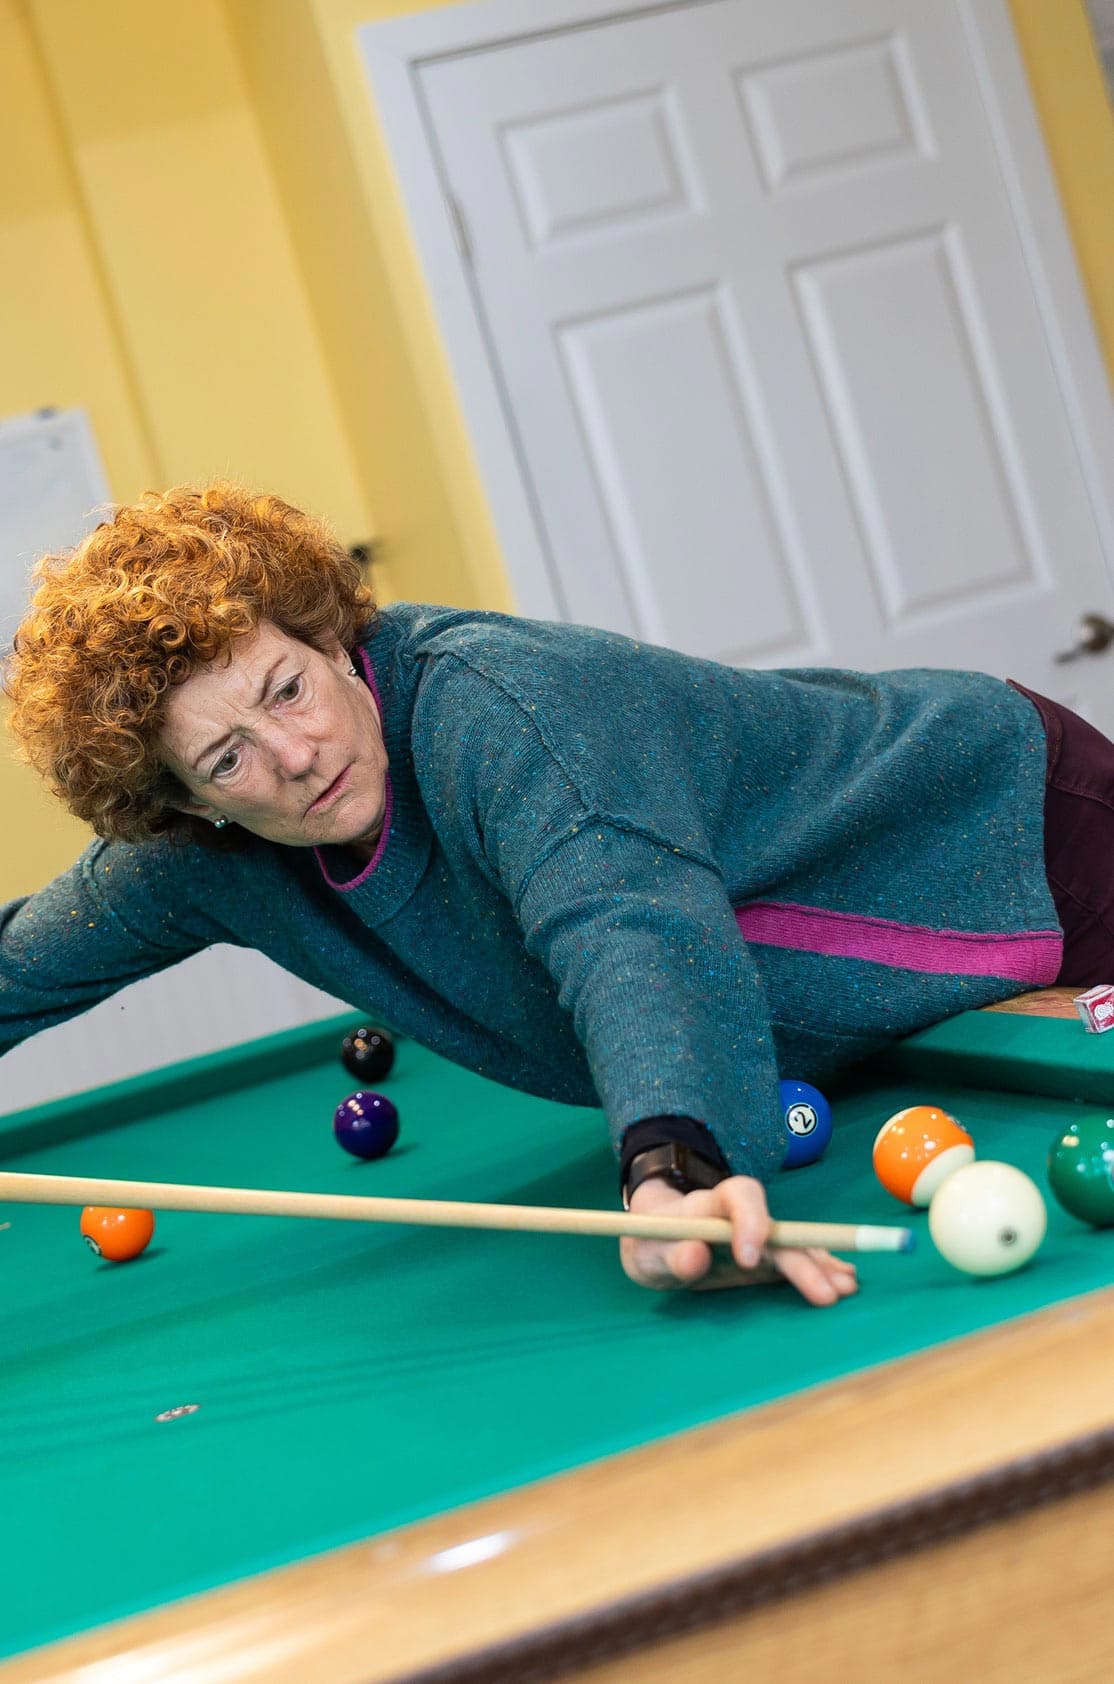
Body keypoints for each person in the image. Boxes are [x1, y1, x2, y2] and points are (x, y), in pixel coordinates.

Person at [1, 484, 1104, 1303]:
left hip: (997, 826)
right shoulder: (211, 854)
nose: (290, 756)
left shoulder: (502, 710)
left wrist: (675, 1169)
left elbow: (625, 923)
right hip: (834, 1006)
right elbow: (19, 966)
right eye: (228, 758)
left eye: (286, 688)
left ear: (332, 640)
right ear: (190, 805)